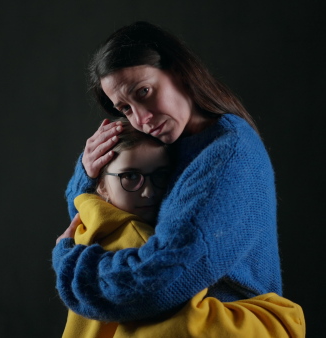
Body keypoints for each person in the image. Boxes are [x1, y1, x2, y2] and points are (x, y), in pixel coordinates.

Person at [53, 20, 294, 326]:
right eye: (125, 108)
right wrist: (88, 174)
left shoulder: (228, 155)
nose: (141, 118)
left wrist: (70, 264)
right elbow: (106, 224)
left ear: (179, 72)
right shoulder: (167, 142)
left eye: (144, 91)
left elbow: (156, 282)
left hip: (223, 327)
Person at [57, 122, 305, 337]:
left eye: (161, 176)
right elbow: (185, 327)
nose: (148, 191)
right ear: (101, 186)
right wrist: (280, 321)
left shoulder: (88, 226)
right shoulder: (139, 237)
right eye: (130, 177)